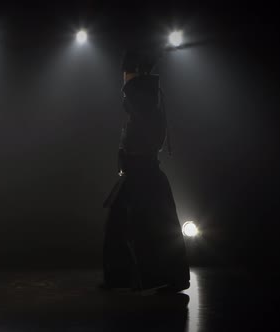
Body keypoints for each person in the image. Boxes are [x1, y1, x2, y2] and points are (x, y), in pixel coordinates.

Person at [101, 49, 190, 294]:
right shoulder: (145, 108)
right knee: (122, 226)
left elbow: (131, 92)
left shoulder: (147, 108)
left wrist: (134, 69)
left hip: (145, 175)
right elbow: (130, 93)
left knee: (154, 227)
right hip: (138, 175)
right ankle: (121, 278)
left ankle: (167, 278)